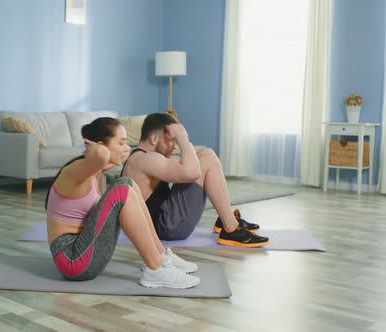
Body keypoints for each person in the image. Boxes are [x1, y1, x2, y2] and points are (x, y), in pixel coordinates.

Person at [46, 117, 200, 289]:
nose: (127, 149)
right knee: (122, 189)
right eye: (121, 143)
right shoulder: (74, 171)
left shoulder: (96, 175)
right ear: (100, 144)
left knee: (127, 183)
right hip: (72, 259)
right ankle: (155, 269)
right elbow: (100, 155)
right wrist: (96, 149)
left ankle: (161, 256)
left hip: (84, 252)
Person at [120, 113, 269, 247]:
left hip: (163, 222)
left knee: (205, 156)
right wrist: (183, 137)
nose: (173, 147)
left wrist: (182, 141)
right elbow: (193, 172)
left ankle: (227, 219)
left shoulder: (142, 158)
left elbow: (190, 164)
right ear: (154, 139)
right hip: (165, 227)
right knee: (208, 159)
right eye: (171, 141)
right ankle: (230, 228)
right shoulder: (146, 160)